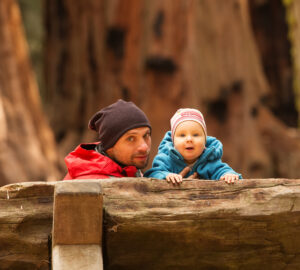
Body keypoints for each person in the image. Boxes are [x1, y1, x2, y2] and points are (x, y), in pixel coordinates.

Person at [144, 108, 242, 184]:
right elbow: (153, 174)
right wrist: (166, 176)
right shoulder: (165, 159)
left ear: (205, 142)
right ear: (173, 142)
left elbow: (222, 170)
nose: (189, 139)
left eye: (195, 135)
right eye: (182, 135)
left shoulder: (209, 161)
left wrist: (228, 175)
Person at [64, 99, 152, 179]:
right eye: (131, 139)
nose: (144, 147)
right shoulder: (90, 184)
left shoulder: (131, 172)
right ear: (109, 146)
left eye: (146, 135)